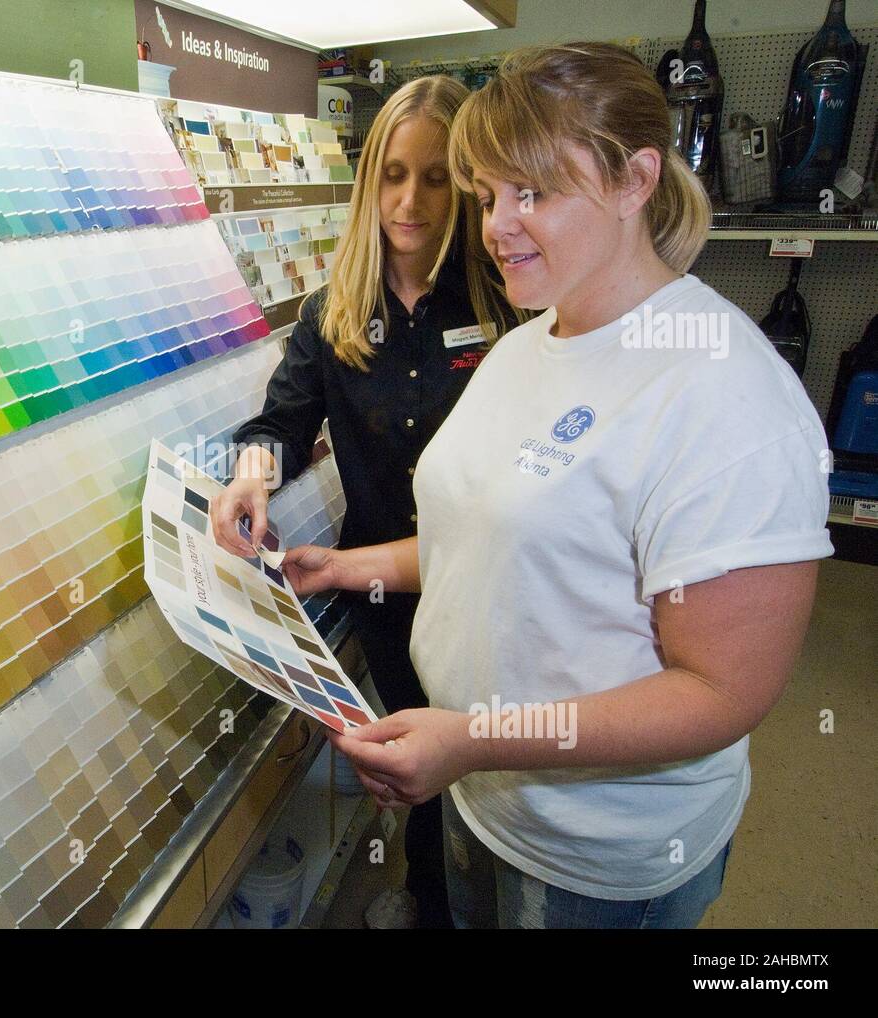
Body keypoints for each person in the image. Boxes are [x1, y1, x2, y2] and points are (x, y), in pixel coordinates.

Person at [280, 43, 834, 929]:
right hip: (487, 801)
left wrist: (470, 739)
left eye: (532, 193)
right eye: (491, 194)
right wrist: (344, 569)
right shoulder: (529, 342)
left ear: (636, 179)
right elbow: (499, 540)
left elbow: (721, 692)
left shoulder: (724, 392)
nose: (497, 223)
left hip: (597, 853)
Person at [209, 75, 516, 929]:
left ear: (467, 184)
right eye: (392, 174)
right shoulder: (335, 310)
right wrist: (251, 477)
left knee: (489, 767)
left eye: (436, 176)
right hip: (384, 594)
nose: (410, 200)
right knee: (417, 769)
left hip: (490, 590)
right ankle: (428, 899)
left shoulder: (507, 301)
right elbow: (278, 422)